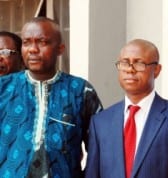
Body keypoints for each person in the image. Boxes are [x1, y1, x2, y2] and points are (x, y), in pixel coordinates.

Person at [0, 17, 103, 178]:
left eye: (42, 42)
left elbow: (100, 151)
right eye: (26, 42)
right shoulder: (3, 88)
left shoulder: (81, 91)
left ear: (60, 49)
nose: (33, 49)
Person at [85, 39, 168, 178]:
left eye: (139, 63)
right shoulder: (101, 122)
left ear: (156, 70)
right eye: (124, 63)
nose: (130, 69)